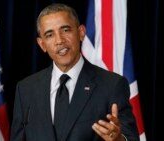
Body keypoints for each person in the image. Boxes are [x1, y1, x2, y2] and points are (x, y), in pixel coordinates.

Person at [10, 3, 140, 141]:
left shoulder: (112, 85)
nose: (59, 40)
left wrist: (119, 139)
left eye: (65, 30)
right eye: (49, 35)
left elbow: (131, 138)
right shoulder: (26, 89)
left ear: (81, 33)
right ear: (42, 44)